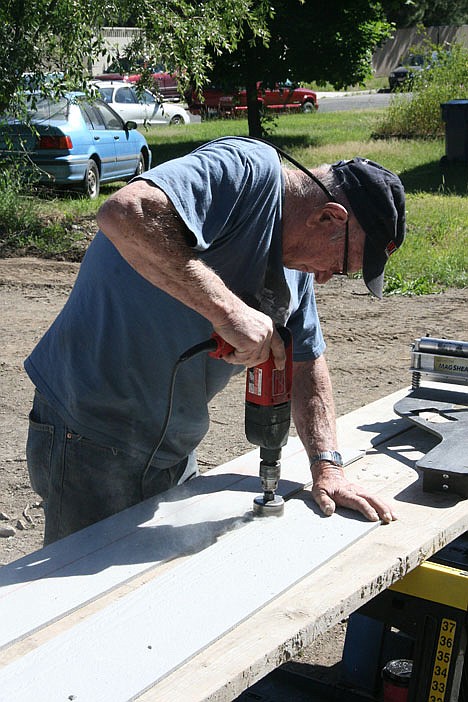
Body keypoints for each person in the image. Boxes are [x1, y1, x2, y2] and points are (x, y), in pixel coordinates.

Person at [24, 136, 406, 545]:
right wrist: (230, 312)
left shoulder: (295, 267)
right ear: (328, 217)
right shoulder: (246, 171)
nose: (326, 276)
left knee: (153, 587)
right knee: (76, 597)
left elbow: (307, 362)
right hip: (88, 431)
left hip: (171, 447)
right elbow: (125, 212)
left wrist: (328, 467)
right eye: (339, 264)